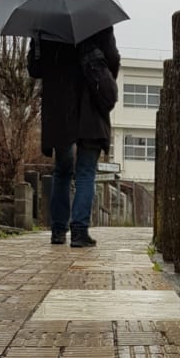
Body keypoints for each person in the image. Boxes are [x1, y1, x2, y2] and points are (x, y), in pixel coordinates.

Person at [27, 27, 120, 247]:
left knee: (62, 170)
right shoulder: (96, 20)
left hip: (60, 110)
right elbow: (113, 60)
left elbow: (35, 68)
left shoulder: (47, 23)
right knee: (86, 172)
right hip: (91, 108)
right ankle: (79, 232)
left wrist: (40, 43)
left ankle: (58, 231)